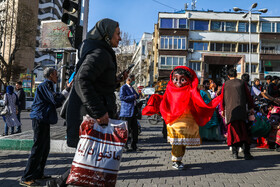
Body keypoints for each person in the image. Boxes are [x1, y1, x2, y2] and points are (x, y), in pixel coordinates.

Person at [47, 18, 123, 187]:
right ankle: (57, 184)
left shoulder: (100, 51)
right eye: (117, 34)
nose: (120, 38)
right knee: (92, 159)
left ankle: (57, 183)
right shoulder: (100, 53)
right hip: (90, 116)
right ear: (106, 35)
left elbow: (97, 83)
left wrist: (116, 80)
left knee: (90, 160)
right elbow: (82, 80)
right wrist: (99, 112)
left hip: (90, 114)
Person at [142, 66, 222, 170]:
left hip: (187, 120)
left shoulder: (191, 90)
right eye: (176, 79)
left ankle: (178, 159)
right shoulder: (170, 88)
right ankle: (176, 160)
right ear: (172, 79)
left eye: (182, 79)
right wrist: (157, 99)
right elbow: (166, 100)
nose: (178, 82)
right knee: (177, 140)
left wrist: (213, 102)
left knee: (182, 142)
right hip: (174, 120)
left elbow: (198, 101)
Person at [20, 68, 71, 186]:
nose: (57, 77)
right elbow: (55, 100)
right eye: (55, 74)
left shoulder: (49, 86)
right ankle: (26, 177)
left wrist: (65, 90)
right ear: (50, 75)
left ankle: (38, 173)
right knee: (38, 148)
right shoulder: (45, 85)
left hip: (44, 119)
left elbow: (56, 99)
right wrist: (67, 89)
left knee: (45, 148)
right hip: (39, 118)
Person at [221, 68, 254, 160]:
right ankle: (246, 154)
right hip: (242, 112)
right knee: (244, 132)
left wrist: (222, 110)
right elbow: (248, 96)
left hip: (230, 112)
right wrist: (251, 107)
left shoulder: (225, 84)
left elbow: (222, 98)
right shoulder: (242, 83)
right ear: (236, 74)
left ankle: (235, 153)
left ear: (228, 76)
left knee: (233, 133)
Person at [119, 74, 139, 151]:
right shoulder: (123, 87)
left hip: (133, 111)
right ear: (129, 80)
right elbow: (122, 97)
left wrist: (135, 95)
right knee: (126, 130)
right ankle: (125, 145)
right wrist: (133, 96)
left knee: (135, 129)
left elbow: (137, 95)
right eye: (133, 80)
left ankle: (134, 145)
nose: (134, 81)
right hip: (126, 111)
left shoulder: (131, 88)